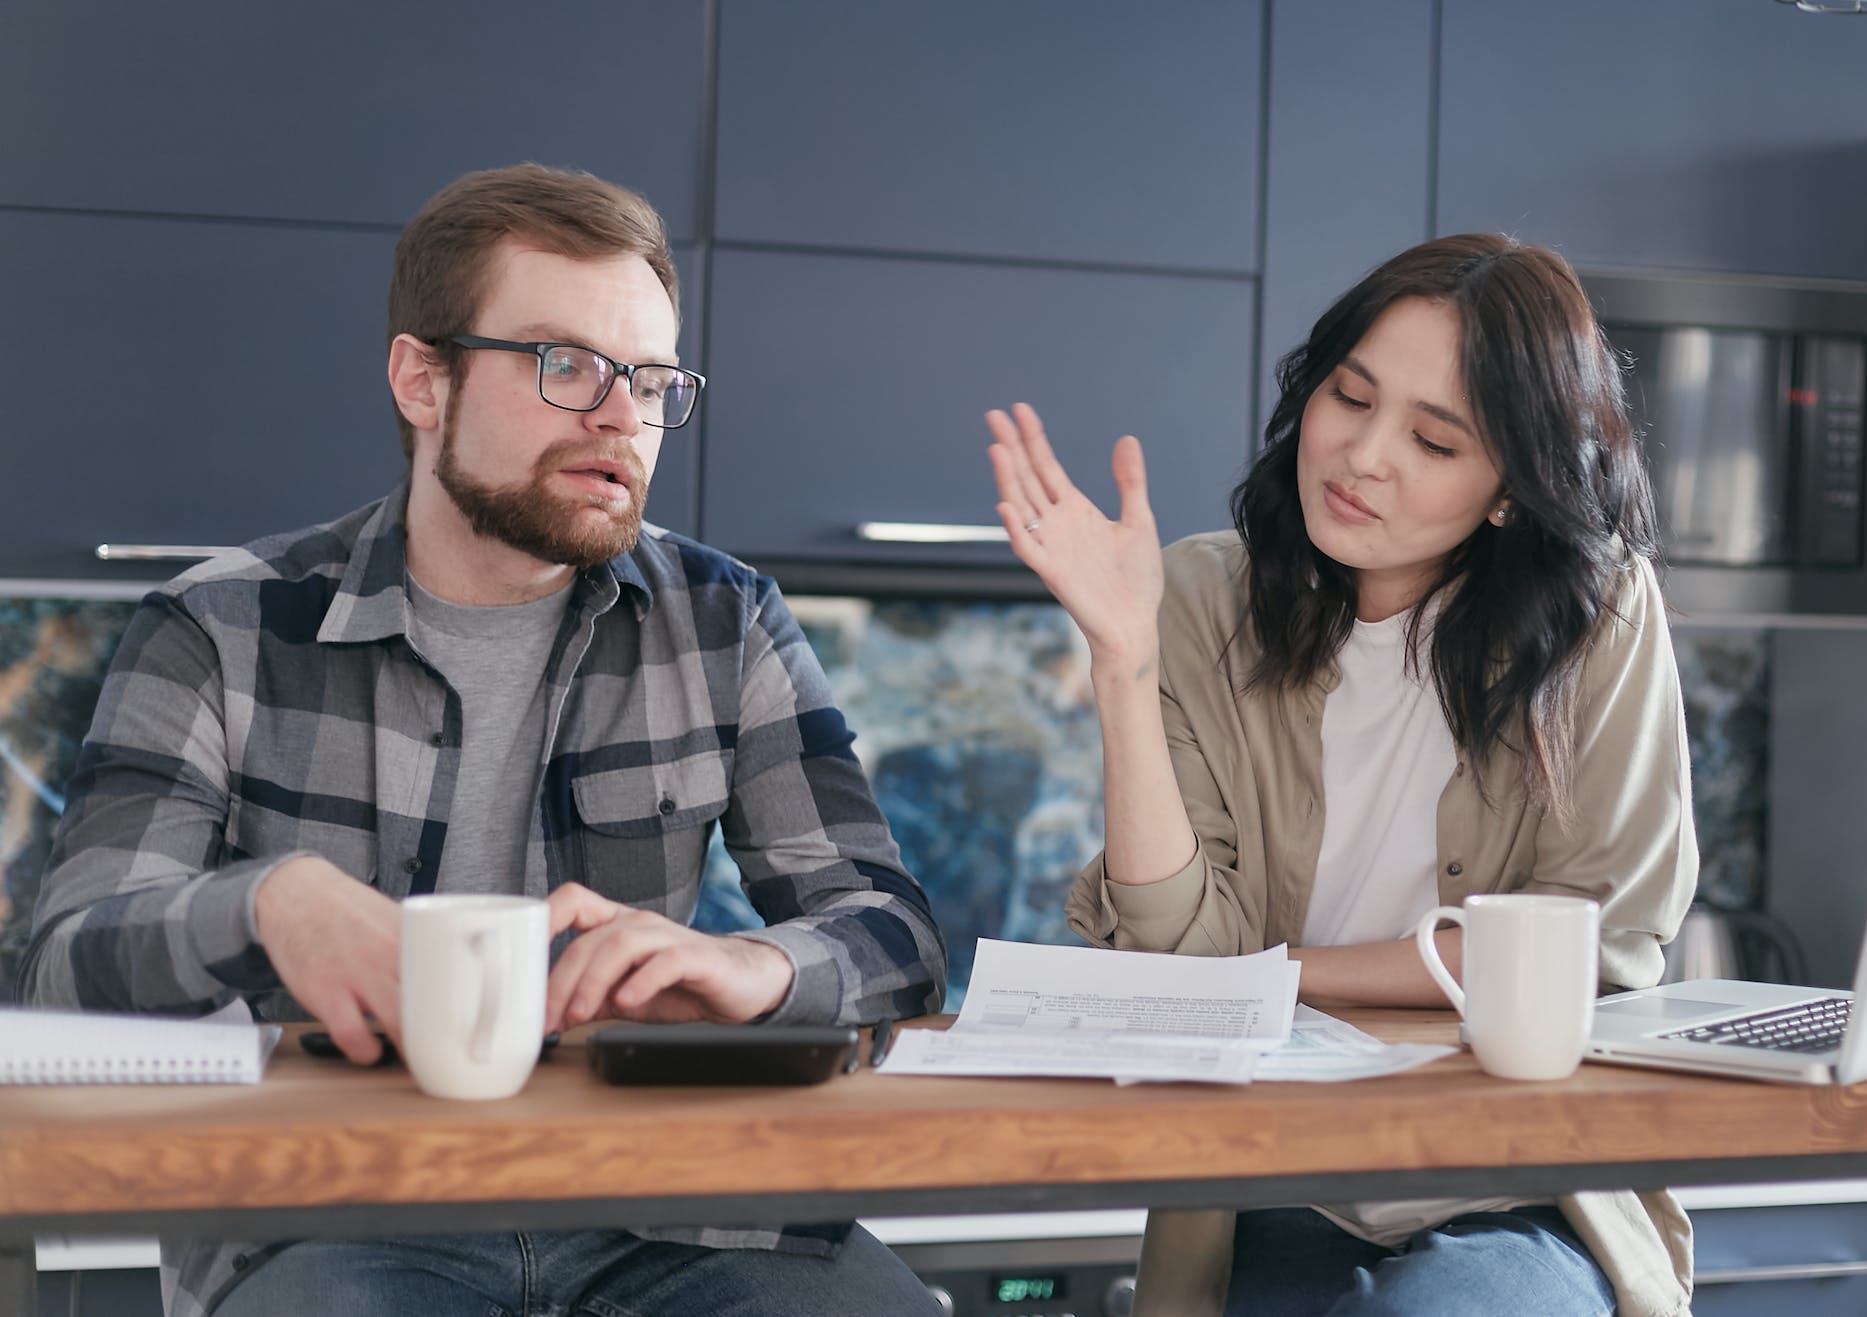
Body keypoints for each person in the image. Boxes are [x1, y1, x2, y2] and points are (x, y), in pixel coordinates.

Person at [21, 162, 947, 1317]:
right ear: (423, 378)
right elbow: (61, 962)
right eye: (565, 365)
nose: (621, 415)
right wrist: (269, 906)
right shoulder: (220, 625)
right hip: (337, 1214)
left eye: (651, 381)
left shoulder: (725, 619)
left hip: (681, 1214)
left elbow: (893, 936)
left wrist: (754, 969)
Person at [986, 234, 1697, 1317]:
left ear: (1509, 488)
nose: (1361, 455)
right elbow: (1187, 959)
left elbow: (1597, 938)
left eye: (1432, 440)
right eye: (1347, 396)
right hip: (1268, 1182)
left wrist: (1278, 978)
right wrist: (1123, 666)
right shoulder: (1194, 596)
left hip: (1511, 1187)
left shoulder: (1598, 616)